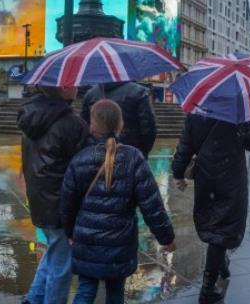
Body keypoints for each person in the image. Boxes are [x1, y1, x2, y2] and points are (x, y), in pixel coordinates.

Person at [61, 99, 176, 304]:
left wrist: (70, 232)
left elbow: (67, 203)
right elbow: (152, 205)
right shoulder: (133, 158)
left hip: (86, 240)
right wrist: (166, 237)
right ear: (121, 124)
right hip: (120, 242)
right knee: (115, 291)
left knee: (86, 289)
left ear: (92, 125)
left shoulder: (79, 159)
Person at [171, 115, 250, 304]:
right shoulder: (242, 112)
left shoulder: (196, 112)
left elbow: (185, 144)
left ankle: (221, 265)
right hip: (232, 176)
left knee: (214, 223)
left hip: (206, 175)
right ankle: (207, 287)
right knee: (223, 227)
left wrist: (178, 172)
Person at [17, 86, 89, 304]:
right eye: (73, 83)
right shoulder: (71, 123)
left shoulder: (32, 115)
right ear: (63, 87)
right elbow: (84, 166)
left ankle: (34, 298)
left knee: (54, 252)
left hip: (40, 197)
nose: (77, 87)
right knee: (62, 266)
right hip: (61, 203)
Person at [81, 82, 157, 158]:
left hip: (96, 153)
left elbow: (84, 127)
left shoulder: (90, 94)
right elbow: (149, 127)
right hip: (132, 152)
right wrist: (142, 151)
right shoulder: (139, 92)